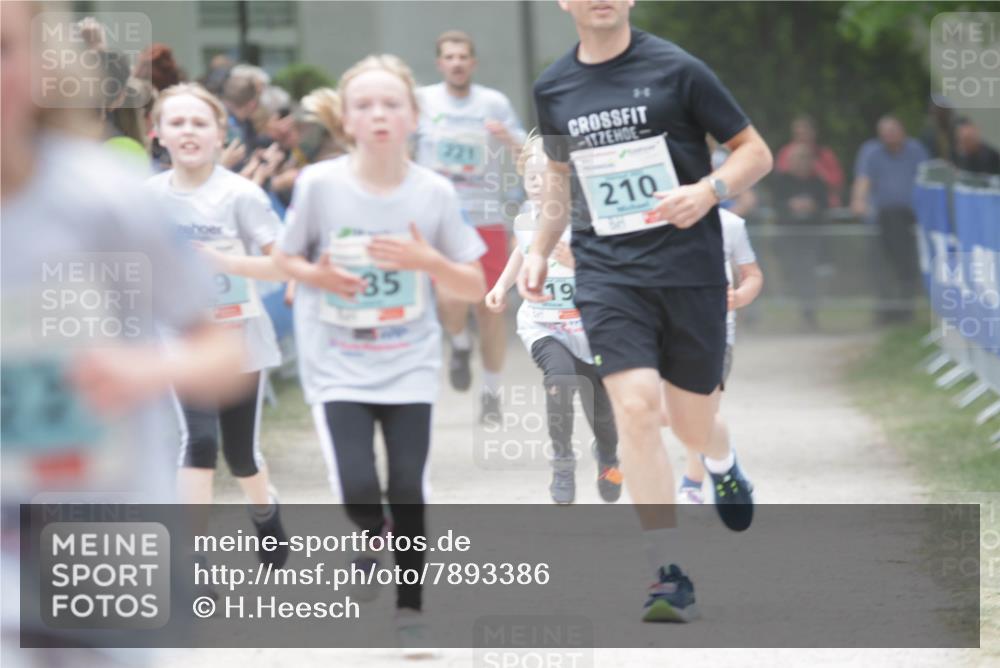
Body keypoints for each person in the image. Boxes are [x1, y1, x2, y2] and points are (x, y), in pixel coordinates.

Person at [1, 3, 245, 663]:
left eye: (3, 49)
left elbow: (223, 352)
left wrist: (143, 372)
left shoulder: (102, 196)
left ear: (42, 62)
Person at [522, 0, 772, 623]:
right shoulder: (553, 87)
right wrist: (538, 251)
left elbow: (755, 153)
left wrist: (707, 190)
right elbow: (558, 182)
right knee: (635, 409)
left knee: (688, 425)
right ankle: (667, 572)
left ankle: (720, 460)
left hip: (688, 272)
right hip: (609, 275)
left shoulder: (678, 70)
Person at [272, 54, 487, 657]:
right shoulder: (319, 185)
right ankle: (373, 532)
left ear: (415, 116)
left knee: (407, 484)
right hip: (336, 358)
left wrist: (428, 263)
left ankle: (410, 610)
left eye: (392, 103)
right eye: (364, 105)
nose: (379, 115)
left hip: (408, 361)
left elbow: (474, 284)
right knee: (359, 486)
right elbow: (284, 260)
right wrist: (318, 276)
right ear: (346, 121)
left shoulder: (435, 192)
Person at [146, 83, 292, 569]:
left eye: (199, 123)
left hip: (239, 339)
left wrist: (223, 264)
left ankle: (264, 510)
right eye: (177, 122)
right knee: (198, 440)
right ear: (158, 133)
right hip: (177, 341)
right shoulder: (143, 199)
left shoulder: (241, 195)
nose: (188, 131)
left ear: (220, 134)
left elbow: (283, 265)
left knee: (241, 453)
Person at [485, 132, 622, 505]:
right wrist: (501, 286)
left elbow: (612, 271)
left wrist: (577, 262)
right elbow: (521, 254)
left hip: (589, 328)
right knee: (559, 381)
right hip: (544, 324)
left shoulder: (586, 219)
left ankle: (608, 457)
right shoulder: (526, 220)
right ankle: (562, 460)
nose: (538, 187)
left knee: (603, 411)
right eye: (531, 180)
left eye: (547, 179)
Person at [414, 30, 526, 423]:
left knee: (491, 309)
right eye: (450, 56)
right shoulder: (423, 101)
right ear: (440, 63)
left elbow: (524, 151)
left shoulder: (493, 102)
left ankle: (491, 394)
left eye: (464, 56)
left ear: (473, 63)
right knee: (449, 298)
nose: (457, 62)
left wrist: (508, 137)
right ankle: (459, 343)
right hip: (441, 219)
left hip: (486, 217)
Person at [667, 208, 763, 504]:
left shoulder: (730, 224)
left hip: (714, 334)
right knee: (666, 412)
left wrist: (742, 295)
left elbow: (752, 275)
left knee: (702, 413)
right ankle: (724, 462)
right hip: (661, 332)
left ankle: (692, 484)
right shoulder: (646, 219)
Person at [851, 115, 930, 323]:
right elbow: (863, 180)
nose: (888, 136)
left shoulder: (916, 150)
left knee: (907, 265)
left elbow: (926, 180)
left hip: (909, 220)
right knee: (880, 266)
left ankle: (906, 310)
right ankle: (884, 310)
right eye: (884, 132)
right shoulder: (871, 151)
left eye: (892, 131)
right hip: (881, 221)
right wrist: (859, 200)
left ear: (902, 131)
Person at [771, 143, 828, 328]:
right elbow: (775, 206)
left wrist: (812, 207)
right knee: (791, 272)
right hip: (788, 237)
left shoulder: (818, 182)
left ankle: (809, 313)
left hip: (811, 237)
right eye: (797, 158)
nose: (801, 162)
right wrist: (791, 206)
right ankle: (789, 312)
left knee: (808, 272)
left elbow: (825, 207)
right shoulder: (781, 181)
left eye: (804, 158)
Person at [775, 115, 844, 206]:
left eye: (804, 133)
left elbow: (837, 182)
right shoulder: (785, 153)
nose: (801, 138)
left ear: (813, 133)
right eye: (797, 134)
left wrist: (816, 168)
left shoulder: (825, 154)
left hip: (821, 202)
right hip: (791, 201)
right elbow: (781, 179)